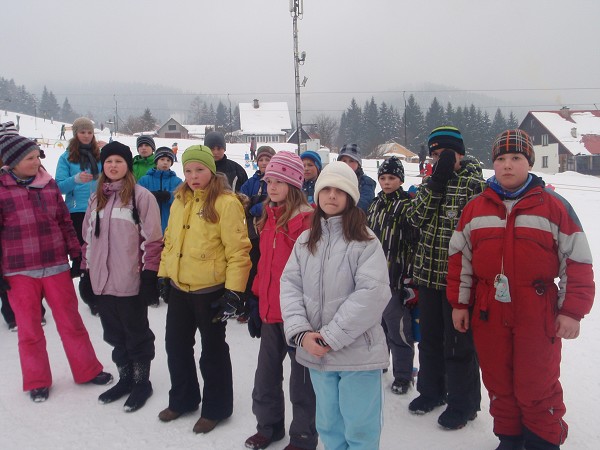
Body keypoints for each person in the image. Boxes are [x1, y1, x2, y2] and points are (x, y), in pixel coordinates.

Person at [447, 130, 595, 450]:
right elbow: (461, 260)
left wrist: (572, 311)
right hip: (488, 306)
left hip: (536, 306)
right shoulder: (476, 208)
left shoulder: (554, 206)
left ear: (528, 162)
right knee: (498, 379)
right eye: (500, 159)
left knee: (536, 380)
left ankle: (542, 439)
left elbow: (578, 261)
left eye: (515, 158)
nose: (507, 165)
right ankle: (510, 437)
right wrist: (460, 304)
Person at [280, 161, 391, 450]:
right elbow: (290, 287)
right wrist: (302, 333)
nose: (331, 195)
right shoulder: (305, 241)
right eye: (325, 189)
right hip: (318, 354)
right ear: (316, 196)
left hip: (358, 355)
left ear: (351, 197)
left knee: (360, 429)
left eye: (339, 190)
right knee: (329, 427)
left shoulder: (366, 242)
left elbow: (373, 294)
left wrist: (331, 336)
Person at [0, 134, 112, 403]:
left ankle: (87, 370)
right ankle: (37, 380)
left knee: (71, 322)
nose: (36, 161)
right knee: (29, 329)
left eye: (37, 156)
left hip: (55, 265)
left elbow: (64, 220)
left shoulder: (47, 184)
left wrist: (75, 251)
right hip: (18, 270)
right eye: (29, 158)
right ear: (12, 162)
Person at [157, 145, 251, 434]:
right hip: (179, 288)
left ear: (212, 170)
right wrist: (164, 275)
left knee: (212, 352)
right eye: (188, 170)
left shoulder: (226, 202)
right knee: (176, 347)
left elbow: (238, 252)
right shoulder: (179, 200)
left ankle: (216, 408)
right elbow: (170, 241)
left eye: (199, 170)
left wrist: (233, 293)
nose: (193, 176)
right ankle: (183, 399)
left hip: (211, 291)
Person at [404, 126, 484, 430]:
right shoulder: (430, 181)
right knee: (430, 340)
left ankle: (464, 403)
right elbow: (415, 218)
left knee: (459, 343)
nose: (439, 160)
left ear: (459, 154)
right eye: (435, 155)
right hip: (427, 275)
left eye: (445, 155)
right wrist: (436, 181)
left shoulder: (473, 183)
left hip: (459, 279)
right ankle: (431, 391)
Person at [80, 141, 161, 412]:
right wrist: (86, 272)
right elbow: (87, 240)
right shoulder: (96, 199)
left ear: (128, 165)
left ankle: (141, 382)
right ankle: (125, 379)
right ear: (103, 166)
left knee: (136, 333)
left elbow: (153, 241)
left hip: (131, 281)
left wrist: (150, 275)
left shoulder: (141, 197)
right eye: (108, 161)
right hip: (102, 282)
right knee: (113, 333)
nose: (113, 166)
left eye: (119, 161)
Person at [244, 151, 317, 450]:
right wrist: (255, 300)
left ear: (294, 184)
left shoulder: (307, 221)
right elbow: (264, 266)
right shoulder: (267, 217)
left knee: (301, 383)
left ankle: (302, 436)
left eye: (279, 181)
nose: (271, 187)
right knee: (265, 377)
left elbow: (313, 272)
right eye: (269, 181)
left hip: (299, 316)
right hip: (270, 313)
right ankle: (269, 426)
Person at [366, 156, 419, 395]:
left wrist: (410, 278)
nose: (387, 182)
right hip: (373, 278)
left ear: (401, 180)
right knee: (377, 328)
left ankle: (403, 375)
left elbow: (413, 245)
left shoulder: (406, 206)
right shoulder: (375, 205)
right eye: (383, 178)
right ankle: (380, 364)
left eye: (392, 178)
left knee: (398, 330)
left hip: (396, 278)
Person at [55, 117, 102, 315]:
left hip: (99, 209)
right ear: (76, 134)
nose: (86, 135)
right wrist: (75, 179)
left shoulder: (99, 155)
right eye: (82, 132)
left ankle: (97, 293)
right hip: (76, 211)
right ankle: (86, 294)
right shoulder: (66, 157)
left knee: (98, 253)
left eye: (89, 132)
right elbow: (57, 186)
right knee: (82, 255)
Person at [238, 145, 276, 324]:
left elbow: (275, 202)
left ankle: (265, 304)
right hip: (253, 233)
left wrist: (260, 205)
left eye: (268, 160)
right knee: (252, 269)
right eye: (261, 160)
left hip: (271, 232)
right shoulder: (252, 182)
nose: (264, 163)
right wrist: (250, 204)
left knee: (267, 269)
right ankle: (247, 306)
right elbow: (240, 199)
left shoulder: (275, 181)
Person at [138, 146, 182, 235]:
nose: (165, 162)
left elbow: (183, 198)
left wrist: (169, 196)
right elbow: (137, 198)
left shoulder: (177, 181)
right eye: (162, 159)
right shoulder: (144, 180)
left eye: (168, 160)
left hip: (170, 225)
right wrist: (149, 196)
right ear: (156, 161)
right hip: (148, 226)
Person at [337, 143, 375, 212]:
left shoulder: (366, 182)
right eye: (344, 161)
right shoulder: (334, 180)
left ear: (358, 164)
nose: (347, 164)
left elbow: (364, 204)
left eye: (351, 161)